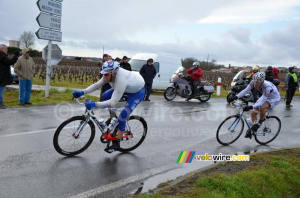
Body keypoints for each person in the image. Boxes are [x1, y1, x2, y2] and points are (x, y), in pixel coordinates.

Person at [72, 60, 145, 153]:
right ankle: (113, 117)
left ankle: (117, 143)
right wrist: (83, 92)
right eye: (103, 74)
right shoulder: (109, 73)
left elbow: (113, 101)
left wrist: (95, 104)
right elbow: (97, 85)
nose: (104, 77)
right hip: (127, 87)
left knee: (123, 116)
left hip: (137, 92)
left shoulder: (121, 80)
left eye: (106, 75)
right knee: (105, 96)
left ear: (113, 73)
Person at [228, 72, 281, 138]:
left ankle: (259, 123)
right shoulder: (253, 82)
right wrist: (235, 97)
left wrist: (251, 106)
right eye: (255, 82)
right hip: (265, 96)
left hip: (274, 98)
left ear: (262, 82)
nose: (255, 84)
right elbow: (245, 90)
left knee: (262, 107)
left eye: (257, 83)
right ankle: (253, 128)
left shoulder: (267, 87)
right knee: (253, 112)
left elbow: (261, 103)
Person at [0, 44, 19, 109]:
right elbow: (10, 62)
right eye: (6, 49)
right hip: (2, 77)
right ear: (2, 49)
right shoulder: (2, 56)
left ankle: (1, 103)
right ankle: (0, 104)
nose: (7, 50)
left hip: (2, 76)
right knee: (1, 91)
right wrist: (16, 56)